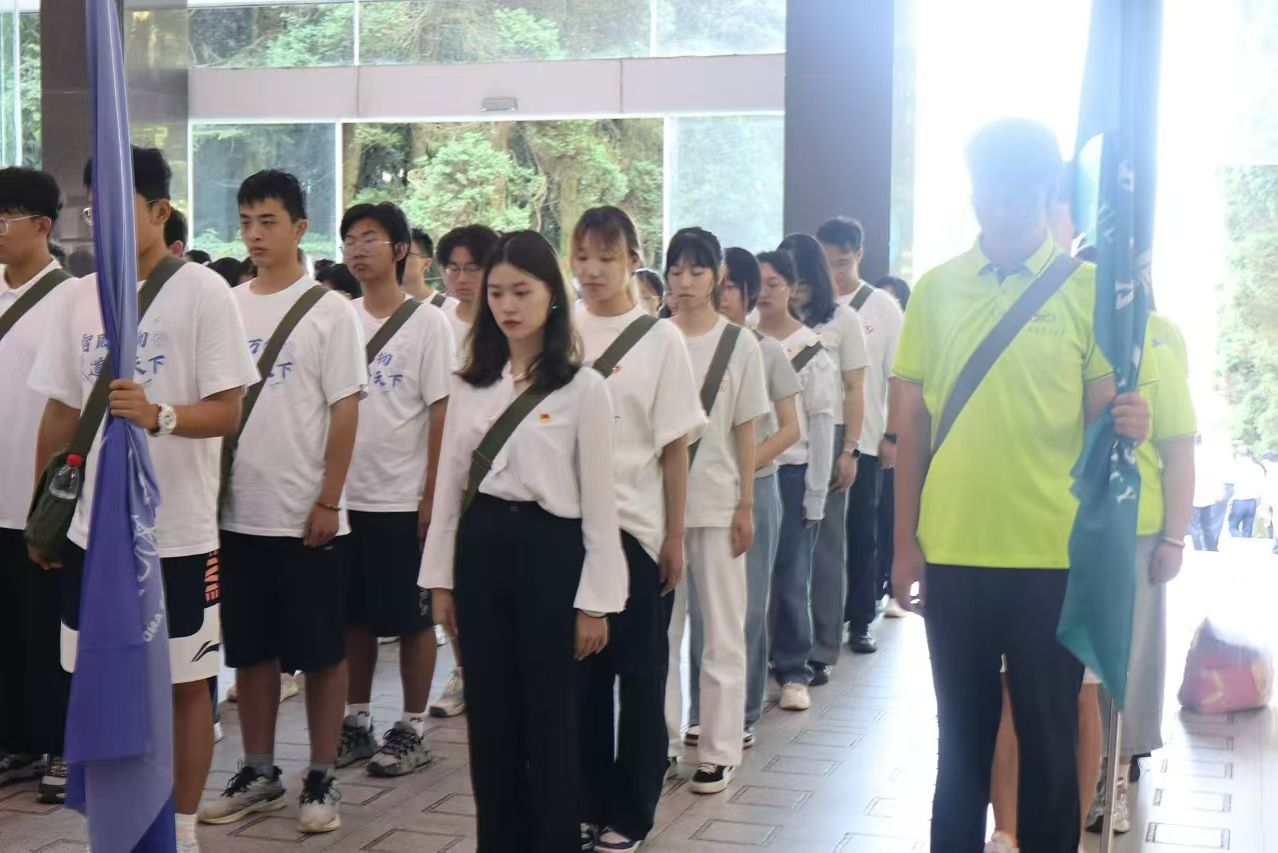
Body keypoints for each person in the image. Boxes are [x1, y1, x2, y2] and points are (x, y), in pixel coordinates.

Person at [891, 118, 1151, 852]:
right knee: (961, 742)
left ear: (1047, 195)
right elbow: (911, 425)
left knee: (1049, 738)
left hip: (1050, 556)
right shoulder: (936, 289)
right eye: (988, 193)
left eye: (1017, 195)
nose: (1000, 210)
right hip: (954, 550)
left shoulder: (1088, 291)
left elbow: (1103, 417)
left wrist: (1130, 420)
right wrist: (904, 544)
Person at [28, 148, 259, 853]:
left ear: (160, 212)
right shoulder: (77, 297)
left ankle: (180, 829)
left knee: (187, 680)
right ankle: (115, 824)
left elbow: (228, 410)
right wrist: (45, 516)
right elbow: (61, 412)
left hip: (177, 531)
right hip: (91, 534)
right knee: (97, 675)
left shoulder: (203, 292)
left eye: (118, 209)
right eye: (93, 209)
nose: (101, 223)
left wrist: (160, 415)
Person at [422, 230, 625, 852]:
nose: (507, 305)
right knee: (490, 718)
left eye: (522, 292)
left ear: (552, 296)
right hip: (481, 549)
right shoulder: (470, 382)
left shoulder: (583, 388)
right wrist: (440, 581)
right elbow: (451, 488)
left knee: (551, 719)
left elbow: (600, 503)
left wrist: (596, 602)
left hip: (550, 552)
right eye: (496, 293)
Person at [199, 170, 367, 835]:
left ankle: (321, 774)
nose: (255, 235)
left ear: (299, 227)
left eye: (268, 221)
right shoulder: (226, 305)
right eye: (246, 221)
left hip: (307, 515)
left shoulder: (330, 312)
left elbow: (345, 410)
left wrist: (329, 499)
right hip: (237, 512)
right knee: (252, 649)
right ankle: (259, 770)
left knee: (322, 652)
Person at [571, 206, 703, 853]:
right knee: (582, 680)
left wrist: (675, 535)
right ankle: (587, 802)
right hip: (569, 529)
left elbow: (675, 447)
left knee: (642, 678)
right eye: (582, 255)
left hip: (638, 531)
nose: (592, 269)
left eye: (607, 256)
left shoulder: (660, 340)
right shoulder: (559, 331)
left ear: (633, 260)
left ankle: (632, 813)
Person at [333, 202, 453, 778]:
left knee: (412, 619)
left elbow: (442, 413)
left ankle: (412, 726)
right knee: (352, 616)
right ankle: (355, 721)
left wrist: (432, 497)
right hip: (345, 498)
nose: (357, 250)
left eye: (370, 239)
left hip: (402, 499)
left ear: (401, 249)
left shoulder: (429, 324)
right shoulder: (339, 317)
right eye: (350, 240)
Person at [664, 227, 769, 795]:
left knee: (724, 631)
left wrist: (746, 503)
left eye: (697, 270)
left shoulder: (739, 343)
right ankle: (659, 743)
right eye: (676, 269)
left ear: (718, 276)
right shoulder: (654, 337)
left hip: (719, 503)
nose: (685, 281)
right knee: (662, 633)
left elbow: (746, 430)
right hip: (658, 510)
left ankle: (720, 749)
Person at [686, 248, 801, 744]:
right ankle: (700, 713)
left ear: (748, 292)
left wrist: (739, 468)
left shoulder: (764, 350)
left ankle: (744, 713)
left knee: (747, 608)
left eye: (731, 285)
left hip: (756, 488)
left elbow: (791, 427)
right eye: (720, 282)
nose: (722, 293)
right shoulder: (678, 342)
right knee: (700, 610)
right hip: (699, 492)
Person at [0, 168, 75, 800]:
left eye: (4, 219)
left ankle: (63, 745)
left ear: (43, 226)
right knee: (8, 631)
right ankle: (17, 740)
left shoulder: (71, 301)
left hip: (39, 502)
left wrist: (50, 499)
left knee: (49, 627)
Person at [778, 232, 867, 685]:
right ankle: (781, 644)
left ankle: (822, 648)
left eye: (800, 278)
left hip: (827, 433)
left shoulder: (842, 319)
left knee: (826, 544)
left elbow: (855, 388)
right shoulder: (765, 320)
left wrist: (849, 448)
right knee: (781, 547)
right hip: (776, 436)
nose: (793, 288)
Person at [753, 249, 837, 712]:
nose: (764, 293)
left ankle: (791, 671)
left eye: (774, 284)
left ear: (792, 288)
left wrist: (815, 494)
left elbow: (821, 426)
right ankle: (749, 673)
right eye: (758, 284)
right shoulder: (741, 340)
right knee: (746, 583)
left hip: (790, 473)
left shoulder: (811, 350)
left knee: (790, 578)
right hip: (745, 473)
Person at [817, 216, 903, 654]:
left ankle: (861, 620)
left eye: (843, 263)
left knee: (861, 531)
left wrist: (892, 436)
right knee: (823, 538)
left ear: (859, 255)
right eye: (827, 262)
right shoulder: (812, 304)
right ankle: (821, 623)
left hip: (866, 439)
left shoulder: (882, 307)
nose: (835, 273)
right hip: (818, 439)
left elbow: (897, 377)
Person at [402, 226, 449, 305]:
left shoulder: (448, 307)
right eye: (394, 253)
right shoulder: (380, 305)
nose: (398, 259)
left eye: (406, 255)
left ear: (427, 263)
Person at [1229, 449, 1265, 538]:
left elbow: (1232, 485)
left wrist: (1229, 502)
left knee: (1232, 527)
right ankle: (1246, 543)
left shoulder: (1236, 468)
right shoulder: (1258, 468)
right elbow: (1262, 487)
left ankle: (1240, 540)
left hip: (1239, 501)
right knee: (1248, 528)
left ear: (1239, 456)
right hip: (1252, 502)